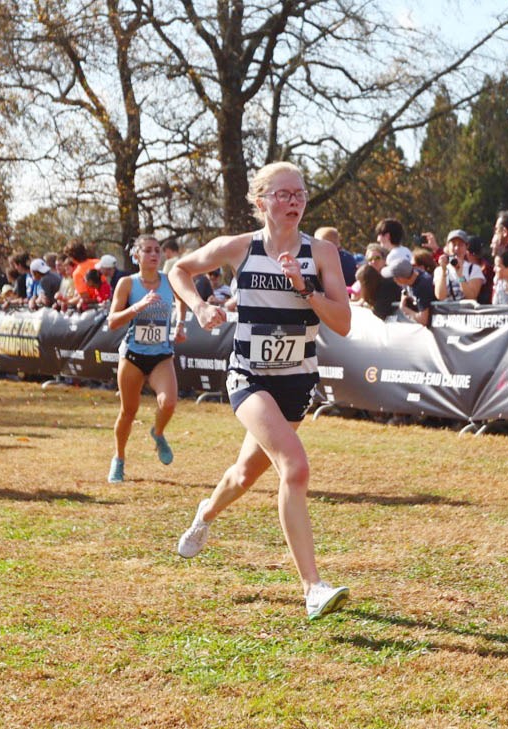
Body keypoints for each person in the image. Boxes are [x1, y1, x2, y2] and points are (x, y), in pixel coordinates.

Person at [170, 161, 352, 620]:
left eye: (300, 194)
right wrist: (199, 307)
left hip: (297, 381)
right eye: (284, 194)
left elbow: (343, 323)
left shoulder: (322, 253)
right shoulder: (240, 247)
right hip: (249, 376)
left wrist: (305, 288)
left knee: (244, 475)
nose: (294, 202)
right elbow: (179, 269)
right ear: (261, 201)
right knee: (295, 467)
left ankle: (205, 514)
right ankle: (313, 588)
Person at [105, 235, 187, 483]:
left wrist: (180, 324)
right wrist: (137, 307)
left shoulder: (169, 280)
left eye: (157, 250)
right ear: (136, 256)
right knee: (128, 412)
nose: (154, 255)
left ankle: (157, 432)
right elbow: (112, 322)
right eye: (148, 250)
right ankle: (119, 459)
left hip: (161, 354)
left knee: (169, 403)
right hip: (133, 356)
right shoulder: (127, 284)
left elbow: (182, 299)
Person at [392, 258, 436, 327]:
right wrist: (404, 295)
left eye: (395, 277)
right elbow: (405, 289)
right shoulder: (414, 274)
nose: (394, 280)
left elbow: (424, 320)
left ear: (400, 278)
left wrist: (404, 308)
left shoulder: (422, 287)